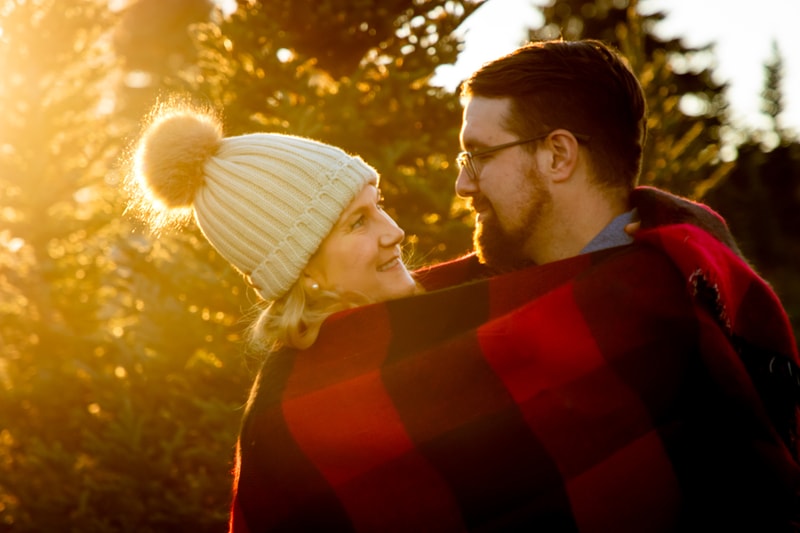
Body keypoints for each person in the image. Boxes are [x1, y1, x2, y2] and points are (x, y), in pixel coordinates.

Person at [224, 39, 800, 532]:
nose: (460, 185)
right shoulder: (456, 311)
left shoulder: (677, 311)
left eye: (477, 156)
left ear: (557, 155)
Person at [125, 100, 419, 355]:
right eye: (358, 222)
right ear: (304, 271)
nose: (395, 232)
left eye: (378, 205)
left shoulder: (453, 317)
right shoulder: (298, 410)